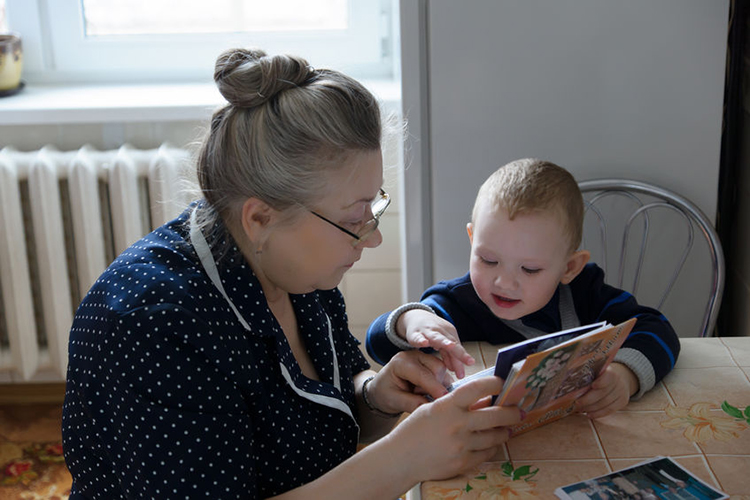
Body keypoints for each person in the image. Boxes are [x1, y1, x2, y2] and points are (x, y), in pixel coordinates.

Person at [61, 48, 522, 499]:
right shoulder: (153, 328)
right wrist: (404, 457)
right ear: (259, 218)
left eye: (373, 208)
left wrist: (377, 395)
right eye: (353, 219)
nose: (373, 238)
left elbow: (321, 420)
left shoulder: (294, 270)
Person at [366, 159, 680, 418]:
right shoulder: (457, 301)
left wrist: (626, 375)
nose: (503, 282)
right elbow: (378, 346)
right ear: (472, 240)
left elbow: (657, 328)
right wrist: (412, 321)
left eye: (529, 269)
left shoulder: (586, 293)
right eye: (488, 260)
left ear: (569, 267)